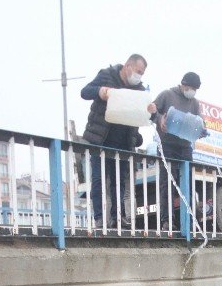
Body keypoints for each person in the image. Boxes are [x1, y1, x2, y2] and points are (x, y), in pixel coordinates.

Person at [80, 55, 155, 229]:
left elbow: (148, 115)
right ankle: (99, 218)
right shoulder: (107, 75)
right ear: (127, 66)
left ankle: (118, 217)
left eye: (142, 74)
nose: (139, 76)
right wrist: (100, 91)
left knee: (119, 182)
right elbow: (85, 92)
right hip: (100, 138)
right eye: (138, 72)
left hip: (123, 142)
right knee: (98, 179)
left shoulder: (140, 89)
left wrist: (151, 110)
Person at [151, 72, 205, 230]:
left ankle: (188, 220)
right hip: (166, 144)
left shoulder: (194, 103)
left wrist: (201, 130)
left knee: (187, 184)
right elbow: (151, 111)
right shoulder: (167, 95)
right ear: (183, 84)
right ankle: (167, 220)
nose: (192, 91)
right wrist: (159, 118)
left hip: (185, 146)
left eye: (195, 89)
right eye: (190, 88)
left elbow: (198, 121)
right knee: (166, 183)